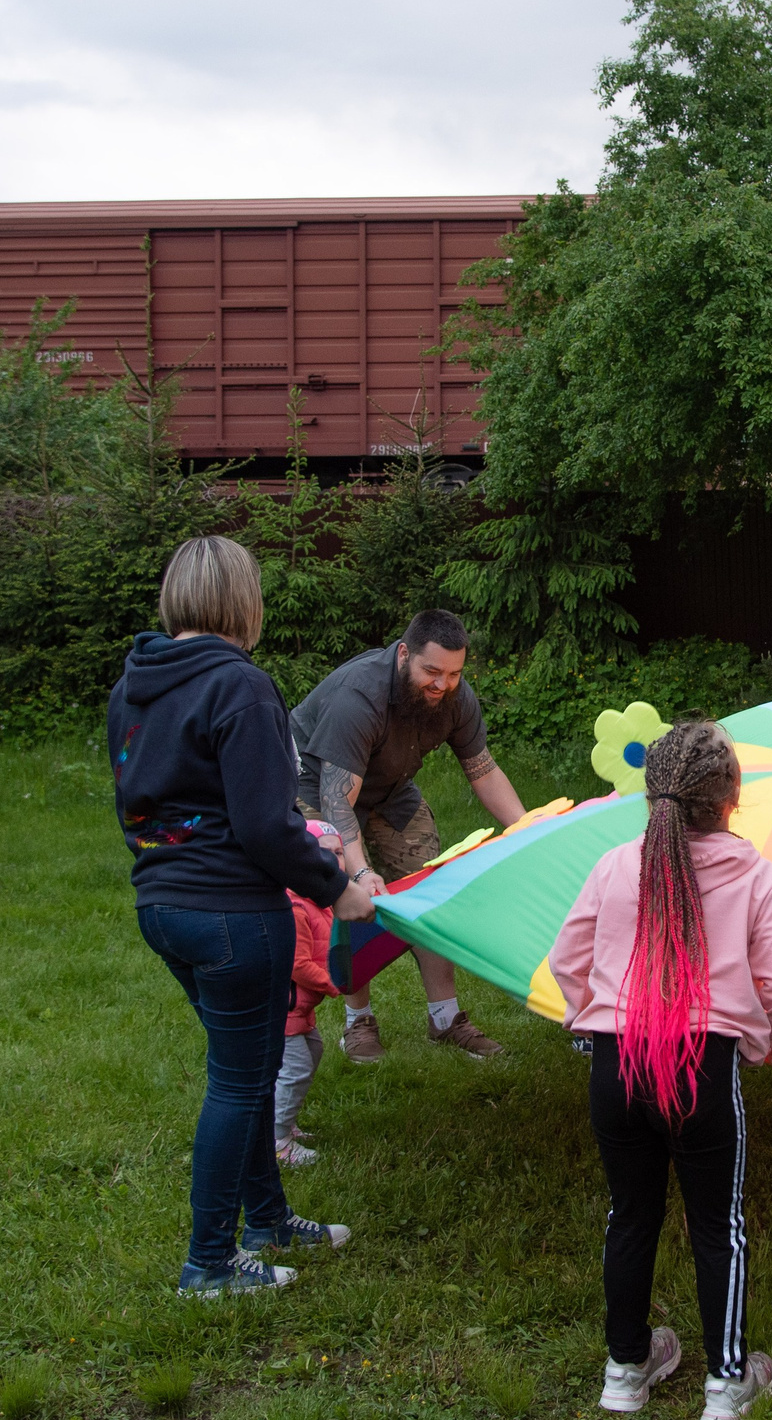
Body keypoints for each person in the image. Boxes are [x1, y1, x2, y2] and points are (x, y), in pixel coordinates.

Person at [110, 535, 377, 1298]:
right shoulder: (242, 685)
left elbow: (137, 802)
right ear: (244, 600)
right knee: (237, 1083)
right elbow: (265, 823)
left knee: (251, 1070)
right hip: (232, 913)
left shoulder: (133, 687)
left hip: (162, 905)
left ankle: (267, 1220)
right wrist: (336, 886)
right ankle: (210, 1262)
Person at [549, 719, 772, 1420]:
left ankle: (625, 1369)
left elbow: (567, 961)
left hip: (616, 1063)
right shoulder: (758, 878)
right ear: (732, 798)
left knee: (630, 1215)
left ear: (651, 794)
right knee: (717, 1226)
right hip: (703, 1067)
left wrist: (590, 1019)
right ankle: (726, 1384)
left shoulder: (616, 866)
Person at [289, 610, 529, 1062]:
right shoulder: (359, 696)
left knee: (431, 890)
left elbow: (483, 770)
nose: (442, 685)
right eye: (432, 672)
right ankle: (358, 1022)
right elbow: (337, 801)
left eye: (454, 674)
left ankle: (445, 1017)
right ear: (404, 655)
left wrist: (526, 828)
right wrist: (359, 873)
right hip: (318, 790)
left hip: (390, 790)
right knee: (350, 895)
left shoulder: (455, 696)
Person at [275, 818, 346, 1169]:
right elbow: (297, 964)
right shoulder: (295, 906)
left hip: (302, 1009)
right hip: (284, 1008)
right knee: (296, 1068)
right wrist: (332, 984)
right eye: (323, 852)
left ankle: (285, 1122)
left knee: (313, 1052)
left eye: (339, 853)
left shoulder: (323, 903)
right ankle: (276, 1141)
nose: (333, 860)